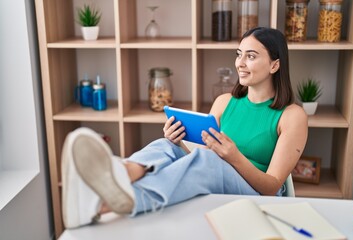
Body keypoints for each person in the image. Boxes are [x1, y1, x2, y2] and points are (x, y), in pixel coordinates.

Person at [62, 27, 308, 229]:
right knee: (165, 145)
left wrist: (234, 157)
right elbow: (199, 152)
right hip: (218, 173)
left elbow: (272, 187)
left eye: (251, 56)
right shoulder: (224, 103)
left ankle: (119, 198)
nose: (240, 63)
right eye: (239, 54)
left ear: (275, 65)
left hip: (257, 195)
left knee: (208, 161)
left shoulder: (291, 116)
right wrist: (177, 140)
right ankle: (119, 176)